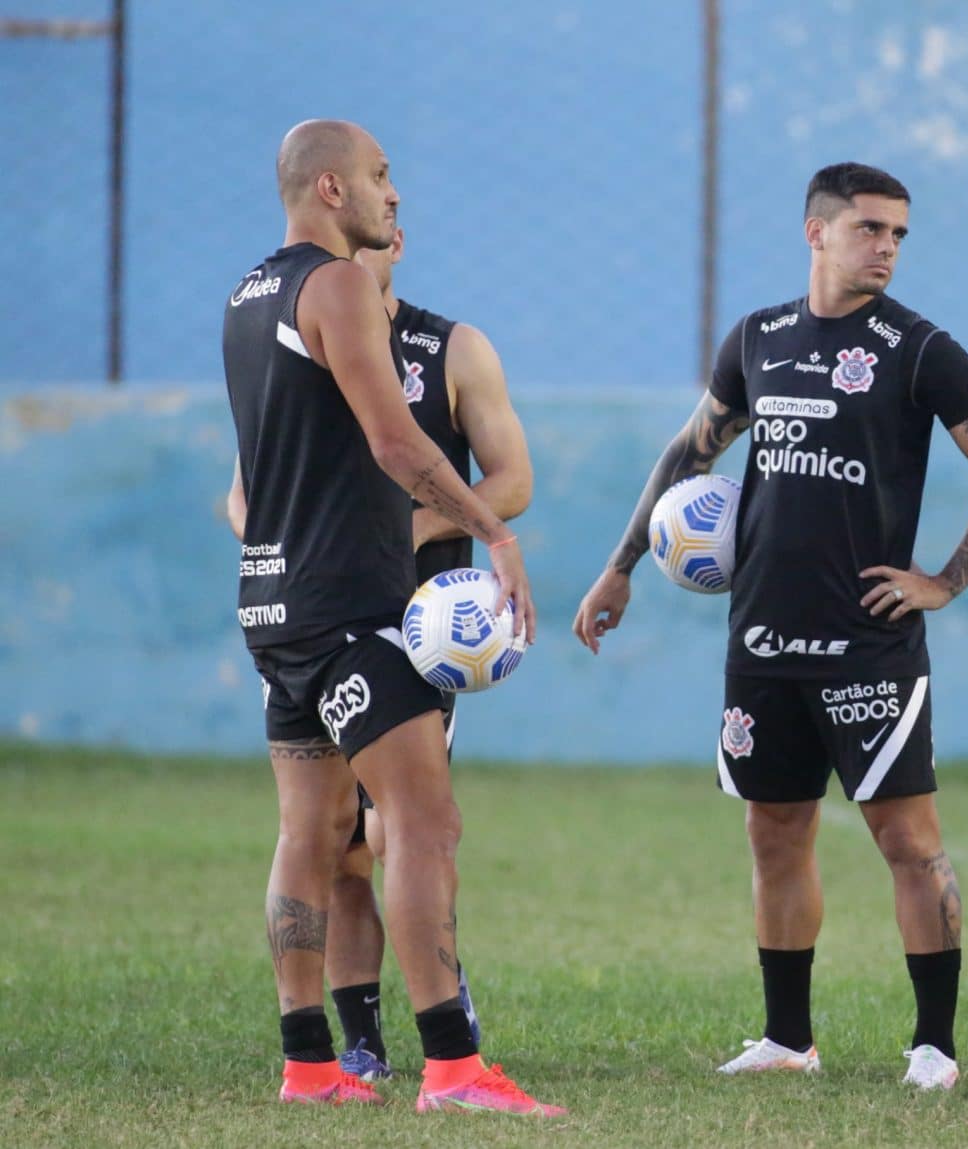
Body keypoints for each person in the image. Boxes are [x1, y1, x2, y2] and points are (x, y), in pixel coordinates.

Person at [573, 162, 968, 1091]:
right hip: (762, 643)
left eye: (900, 235)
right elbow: (690, 448)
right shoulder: (758, 338)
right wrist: (621, 565)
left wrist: (944, 579)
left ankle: (935, 1048)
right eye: (871, 229)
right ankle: (788, 1037)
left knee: (908, 840)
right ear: (816, 231)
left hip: (869, 643)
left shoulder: (920, 349)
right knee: (775, 831)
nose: (888, 249)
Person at [222, 118, 560, 1115]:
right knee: (422, 821)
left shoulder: (250, 293)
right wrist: (489, 533)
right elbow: (397, 442)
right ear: (329, 189)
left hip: (275, 602)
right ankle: (454, 1068)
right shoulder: (335, 287)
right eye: (379, 176)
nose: (393, 194)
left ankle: (309, 1066)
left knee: (312, 833)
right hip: (353, 605)